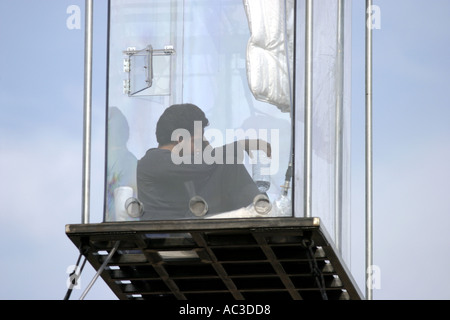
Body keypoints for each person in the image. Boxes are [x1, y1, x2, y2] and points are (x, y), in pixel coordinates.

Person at [136, 103, 271, 220]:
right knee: (230, 164)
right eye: (198, 142)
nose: (200, 148)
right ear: (180, 139)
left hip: (186, 223)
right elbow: (206, 163)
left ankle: (259, 209)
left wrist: (203, 143)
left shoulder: (184, 169)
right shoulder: (153, 160)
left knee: (225, 165)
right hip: (169, 231)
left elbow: (211, 166)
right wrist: (242, 145)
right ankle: (263, 212)